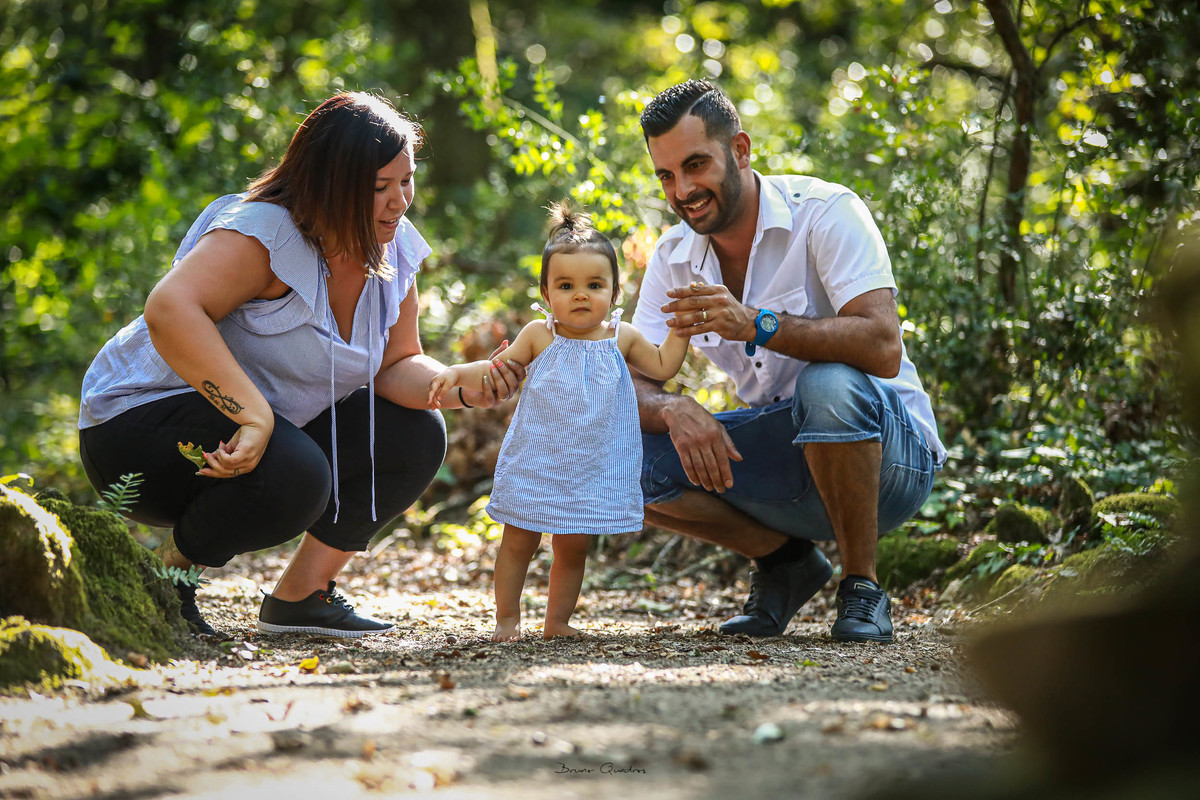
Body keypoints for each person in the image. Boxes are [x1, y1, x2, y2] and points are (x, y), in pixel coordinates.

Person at [77, 92, 524, 638]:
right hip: (134, 426)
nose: (398, 202)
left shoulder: (392, 247)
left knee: (415, 432)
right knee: (297, 472)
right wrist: (253, 416)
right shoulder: (264, 232)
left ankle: (301, 598)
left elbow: (396, 364)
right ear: (329, 184)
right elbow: (170, 310)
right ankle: (163, 585)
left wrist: (458, 384)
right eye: (379, 188)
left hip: (260, 431)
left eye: (405, 181)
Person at [631, 80, 947, 643]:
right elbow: (628, 385)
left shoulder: (825, 212)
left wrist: (757, 323)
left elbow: (882, 344)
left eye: (696, 164)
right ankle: (786, 562)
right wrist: (674, 407)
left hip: (891, 461)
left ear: (742, 150)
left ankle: (863, 589)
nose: (682, 190)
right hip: (786, 461)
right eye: (666, 175)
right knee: (618, 452)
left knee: (826, 385)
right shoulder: (673, 257)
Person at [429, 202, 695, 641]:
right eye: (566, 285)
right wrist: (457, 373)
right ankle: (507, 621)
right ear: (547, 292)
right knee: (519, 540)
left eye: (594, 284)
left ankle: (557, 622)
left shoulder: (621, 338)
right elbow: (498, 373)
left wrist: (681, 329)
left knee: (574, 548)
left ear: (614, 290)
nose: (580, 294)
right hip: (537, 458)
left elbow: (664, 366)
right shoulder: (539, 334)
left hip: (592, 464)